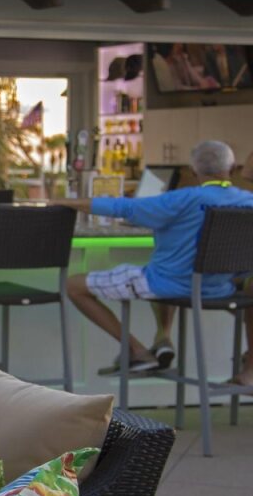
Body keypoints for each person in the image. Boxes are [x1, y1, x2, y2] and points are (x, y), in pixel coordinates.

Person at [57, 140, 253, 376]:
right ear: (231, 169)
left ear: (193, 170)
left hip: (168, 284)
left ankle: (137, 351)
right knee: (158, 271)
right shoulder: (248, 201)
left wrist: (65, 202)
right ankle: (162, 339)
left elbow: (123, 208)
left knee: (74, 285)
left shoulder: (182, 199)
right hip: (218, 289)